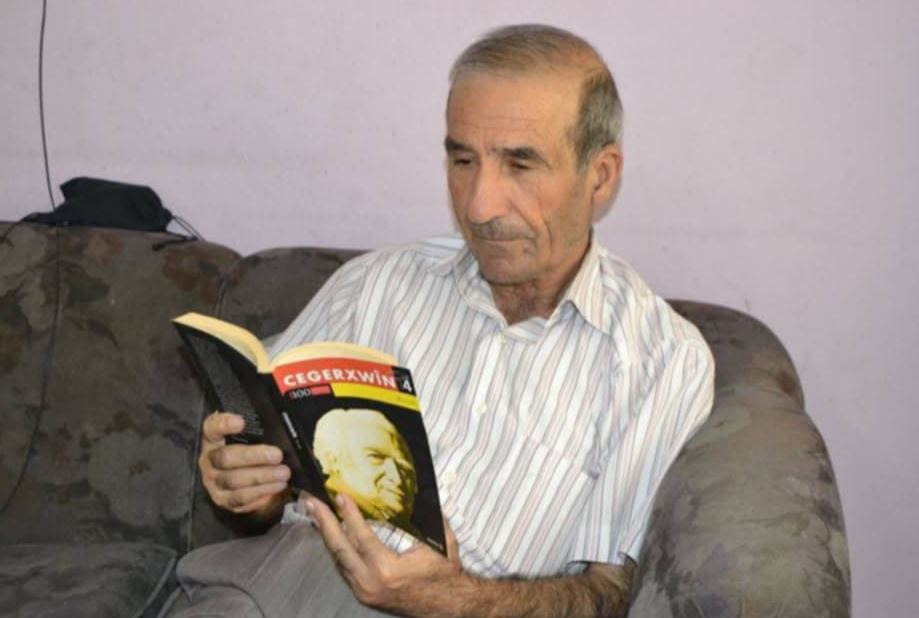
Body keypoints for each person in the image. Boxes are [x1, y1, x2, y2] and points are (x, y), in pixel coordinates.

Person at [171, 24, 714, 618]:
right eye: (462, 160)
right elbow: (265, 486)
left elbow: (607, 596)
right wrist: (249, 486)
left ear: (601, 175)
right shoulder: (376, 285)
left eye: (521, 165)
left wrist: (450, 600)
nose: (479, 205)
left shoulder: (660, 361)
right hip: (266, 587)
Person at [312, 408, 419, 534]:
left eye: (404, 469)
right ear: (333, 460)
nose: (397, 479)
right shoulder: (320, 515)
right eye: (375, 458)